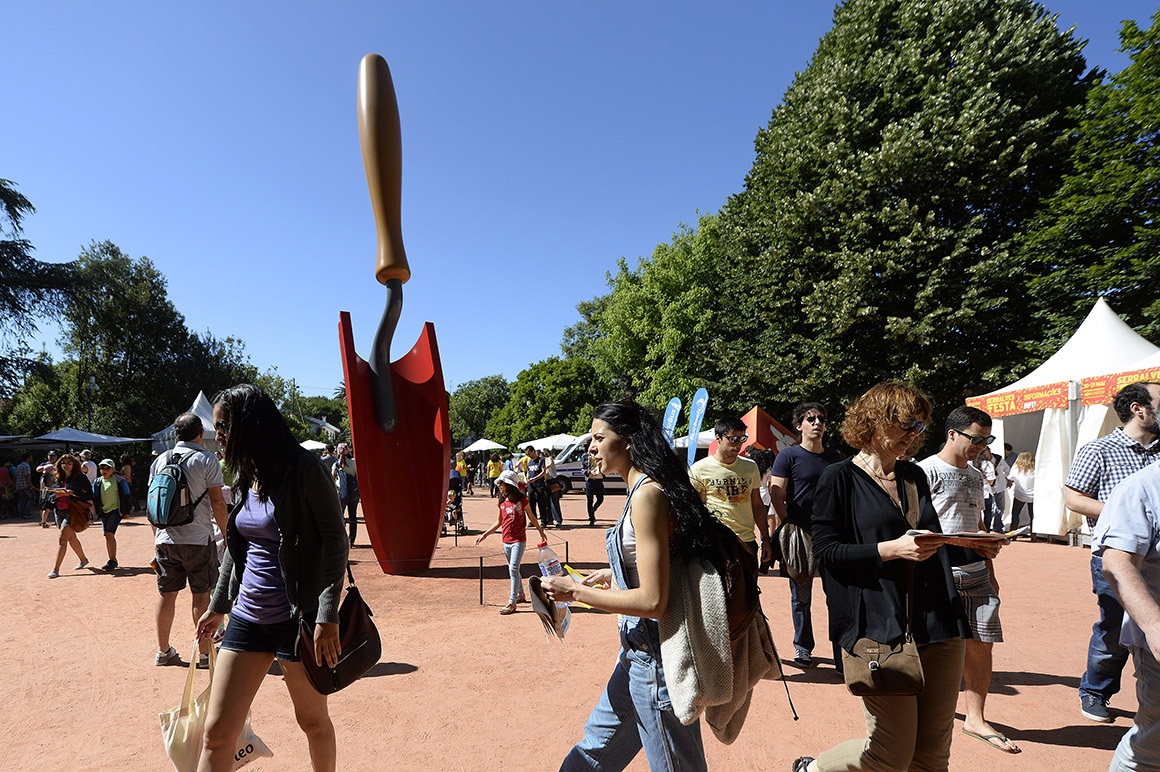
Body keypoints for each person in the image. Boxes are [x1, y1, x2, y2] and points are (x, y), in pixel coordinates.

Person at [794, 381, 979, 772]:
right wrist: (889, 549)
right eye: (906, 425)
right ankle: (814, 770)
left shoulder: (914, 475)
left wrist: (973, 544)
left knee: (931, 759)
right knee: (889, 755)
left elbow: (926, 540)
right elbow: (826, 552)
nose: (913, 435)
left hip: (937, 620)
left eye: (919, 427)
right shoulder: (838, 478)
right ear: (874, 421)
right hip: (876, 625)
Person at [541, 401, 718, 770]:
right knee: (591, 754)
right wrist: (614, 574)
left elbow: (654, 600)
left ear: (629, 442)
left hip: (656, 661)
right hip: (637, 656)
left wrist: (573, 593)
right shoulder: (640, 490)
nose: (591, 447)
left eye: (599, 438)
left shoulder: (647, 495)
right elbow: (656, 566)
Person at [194, 383, 348, 772]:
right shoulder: (249, 472)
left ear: (252, 424)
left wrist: (327, 615)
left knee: (312, 721)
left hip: (296, 621)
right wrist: (217, 606)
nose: (219, 436)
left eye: (225, 427)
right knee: (216, 733)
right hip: (247, 618)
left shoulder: (304, 470)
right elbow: (237, 544)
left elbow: (336, 541)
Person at [918, 406, 1017, 754]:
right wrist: (969, 540)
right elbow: (916, 531)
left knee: (982, 644)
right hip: (936, 569)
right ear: (952, 434)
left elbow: (973, 524)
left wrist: (988, 549)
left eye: (986, 439)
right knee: (933, 645)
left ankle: (975, 717)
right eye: (976, 438)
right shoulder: (923, 472)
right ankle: (924, 717)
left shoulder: (976, 475)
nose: (981, 445)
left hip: (975, 568)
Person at [1066, 381, 1160, 723]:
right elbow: (1074, 497)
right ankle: (1095, 691)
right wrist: (1127, 512)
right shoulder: (1099, 450)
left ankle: (1149, 701)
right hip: (1115, 556)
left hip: (1157, 560)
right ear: (1139, 408)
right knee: (1115, 629)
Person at [1092, 463, 1160, 771]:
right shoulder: (1142, 487)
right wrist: (1154, 625)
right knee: (1153, 744)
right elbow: (1116, 562)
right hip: (1155, 641)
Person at [151, 413, 229, 668]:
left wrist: (156, 540)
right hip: (198, 538)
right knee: (201, 595)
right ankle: (205, 655)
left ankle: (163, 652)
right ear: (199, 434)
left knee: (167, 595)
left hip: (165, 538)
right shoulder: (206, 459)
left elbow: (154, 505)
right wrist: (227, 535)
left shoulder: (160, 460)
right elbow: (217, 502)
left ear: (175, 435)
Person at [769, 401, 842, 670]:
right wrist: (787, 522)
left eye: (821, 419)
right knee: (801, 596)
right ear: (799, 426)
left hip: (831, 535)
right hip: (800, 535)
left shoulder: (835, 457)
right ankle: (803, 647)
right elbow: (776, 492)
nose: (817, 423)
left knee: (837, 596)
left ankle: (840, 654)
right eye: (810, 419)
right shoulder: (788, 456)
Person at [689, 417, 773, 566]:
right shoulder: (700, 469)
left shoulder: (750, 467)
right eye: (733, 439)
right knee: (717, 590)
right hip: (716, 542)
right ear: (718, 439)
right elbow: (693, 507)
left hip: (746, 542)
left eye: (742, 439)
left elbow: (757, 505)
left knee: (749, 589)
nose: (738, 444)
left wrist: (766, 539)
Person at [476, 469, 546, 614]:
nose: (499, 486)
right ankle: (520, 594)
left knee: (513, 568)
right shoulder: (501, 501)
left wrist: (540, 530)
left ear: (509, 484)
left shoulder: (522, 500)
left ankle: (512, 602)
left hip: (518, 540)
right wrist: (486, 534)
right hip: (505, 540)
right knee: (514, 568)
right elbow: (499, 521)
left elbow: (531, 516)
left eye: (501, 483)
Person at [47, 453, 93, 578]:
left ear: (74, 464)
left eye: (69, 463)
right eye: (63, 463)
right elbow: (50, 497)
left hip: (73, 511)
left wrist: (73, 493)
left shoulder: (80, 477)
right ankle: (83, 560)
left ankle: (55, 570)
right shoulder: (57, 478)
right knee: (71, 538)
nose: (66, 465)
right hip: (59, 511)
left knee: (62, 539)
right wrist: (56, 495)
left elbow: (89, 494)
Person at [93, 458, 130, 571]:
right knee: (108, 536)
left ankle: (112, 560)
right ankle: (112, 559)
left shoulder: (120, 480)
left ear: (113, 469)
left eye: (107, 468)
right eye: (102, 468)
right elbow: (94, 497)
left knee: (109, 534)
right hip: (104, 511)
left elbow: (127, 495)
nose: (104, 470)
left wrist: (126, 511)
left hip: (116, 511)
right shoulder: (97, 482)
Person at [332, 443, 359, 546]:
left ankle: (340, 539)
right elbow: (357, 477)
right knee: (353, 517)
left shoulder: (336, 464)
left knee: (340, 516)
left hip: (341, 494)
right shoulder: (354, 463)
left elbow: (332, 478)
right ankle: (351, 540)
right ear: (349, 451)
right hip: (353, 494)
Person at [524, 446, 553, 527]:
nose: (528, 455)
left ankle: (543, 520)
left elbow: (543, 472)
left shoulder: (541, 460)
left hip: (539, 485)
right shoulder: (529, 462)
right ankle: (533, 520)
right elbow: (528, 472)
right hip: (531, 486)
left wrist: (535, 478)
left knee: (541, 503)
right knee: (531, 503)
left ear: (533, 451)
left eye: (529, 453)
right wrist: (527, 478)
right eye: (527, 454)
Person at [1010, 452, 1035, 538]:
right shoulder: (1035, 469)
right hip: (1032, 496)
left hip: (1019, 495)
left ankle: (1013, 535)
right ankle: (1033, 535)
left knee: (1015, 513)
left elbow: (1010, 478)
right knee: (1032, 516)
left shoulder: (1016, 469)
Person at [582, 449, 604, 525]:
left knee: (600, 499)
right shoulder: (585, 456)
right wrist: (589, 472)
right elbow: (583, 469)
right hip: (590, 480)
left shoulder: (602, 455)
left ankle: (593, 510)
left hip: (599, 480)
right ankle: (591, 518)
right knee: (590, 500)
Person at [37, 451, 58, 527]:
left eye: (53, 456)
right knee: (44, 505)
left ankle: (55, 521)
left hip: (54, 488)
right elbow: (38, 469)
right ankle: (43, 521)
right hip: (45, 489)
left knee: (53, 505)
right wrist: (46, 468)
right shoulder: (44, 464)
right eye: (50, 455)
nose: (52, 457)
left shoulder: (58, 464)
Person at [543, 448, 564, 526]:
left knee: (554, 501)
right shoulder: (543, 460)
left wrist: (544, 468)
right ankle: (550, 519)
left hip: (552, 481)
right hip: (546, 481)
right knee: (547, 502)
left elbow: (550, 464)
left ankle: (558, 520)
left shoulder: (549, 458)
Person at [13, 451, 34, 519]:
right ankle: (26, 512)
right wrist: (31, 485)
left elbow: (15, 476)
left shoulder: (19, 465)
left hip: (19, 485)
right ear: (28, 458)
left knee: (21, 500)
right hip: (25, 485)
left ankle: (21, 513)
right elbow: (27, 476)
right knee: (32, 498)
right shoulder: (26, 466)